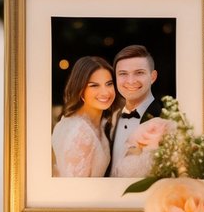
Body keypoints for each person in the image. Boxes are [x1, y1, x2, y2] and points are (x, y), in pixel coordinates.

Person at [51, 57, 115, 177]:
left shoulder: (100, 123)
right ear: (81, 90)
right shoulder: (79, 133)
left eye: (109, 84)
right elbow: (73, 190)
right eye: (94, 85)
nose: (105, 92)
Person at [109, 45, 164, 178]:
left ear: (153, 76)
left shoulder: (165, 118)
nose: (131, 81)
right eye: (123, 74)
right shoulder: (112, 118)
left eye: (139, 72)